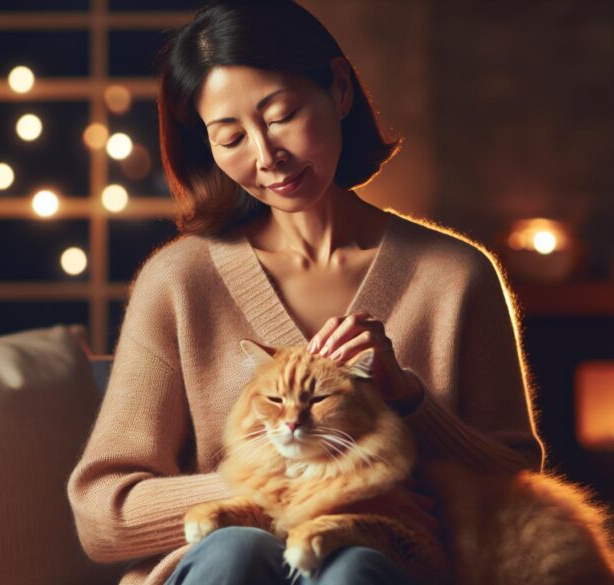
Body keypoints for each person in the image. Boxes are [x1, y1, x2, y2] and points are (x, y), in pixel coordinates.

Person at [67, 1, 544, 584]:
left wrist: (410, 401)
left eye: (282, 114)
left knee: (357, 570)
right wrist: (301, 484)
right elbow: (104, 513)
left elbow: (516, 479)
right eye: (231, 136)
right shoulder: (178, 282)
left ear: (339, 90)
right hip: (224, 567)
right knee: (235, 549)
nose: (267, 157)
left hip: (390, 561)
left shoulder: (454, 275)